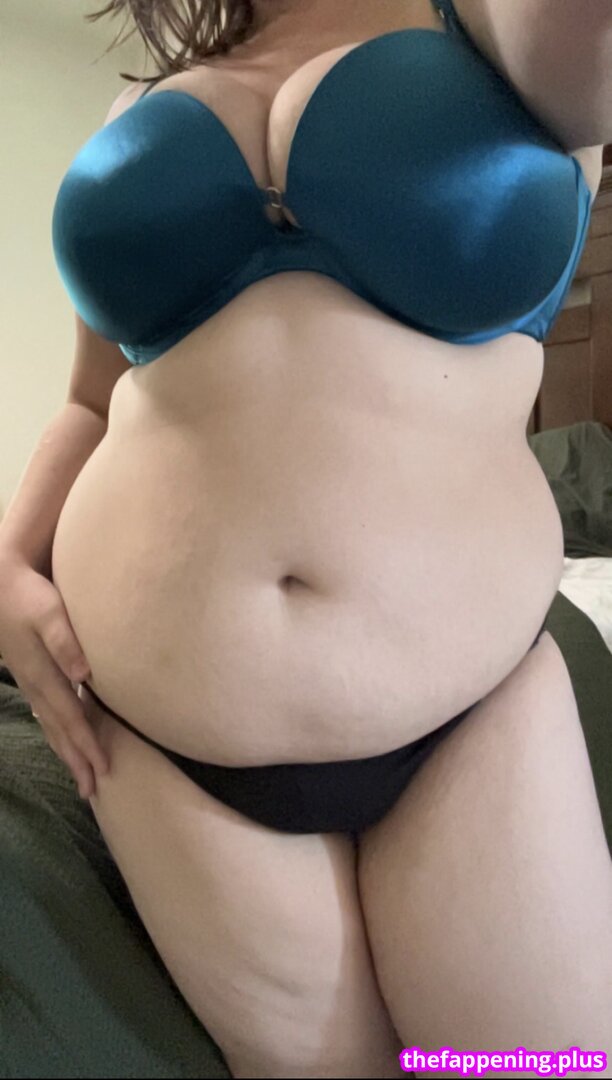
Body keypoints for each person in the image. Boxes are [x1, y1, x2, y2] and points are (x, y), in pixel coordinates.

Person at [0, 1, 610, 1076]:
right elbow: (92, 404)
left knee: (521, 1069)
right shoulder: (137, 107)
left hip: (465, 711)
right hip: (157, 737)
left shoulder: (498, 31)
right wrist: (7, 562)